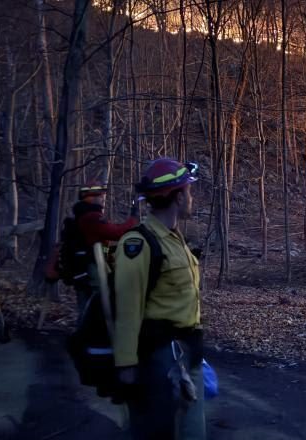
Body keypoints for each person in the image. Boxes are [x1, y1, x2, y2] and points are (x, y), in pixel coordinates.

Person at [113, 158, 204, 439]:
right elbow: (127, 306)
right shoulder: (139, 243)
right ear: (178, 197)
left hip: (188, 350)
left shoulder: (174, 239)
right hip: (160, 358)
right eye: (188, 192)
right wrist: (126, 365)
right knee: (158, 431)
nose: (191, 197)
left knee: (192, 431)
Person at [73, 181, 138, 315]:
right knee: (99, 299)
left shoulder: (85, 216)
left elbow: (104, 238)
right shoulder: (92, 217)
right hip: (92, 266)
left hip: (88, 265)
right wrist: (133, 219)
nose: (103, 199)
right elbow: (117, 233)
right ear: (91, 198)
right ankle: (90, 332)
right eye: (100, 196)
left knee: (89, 302)